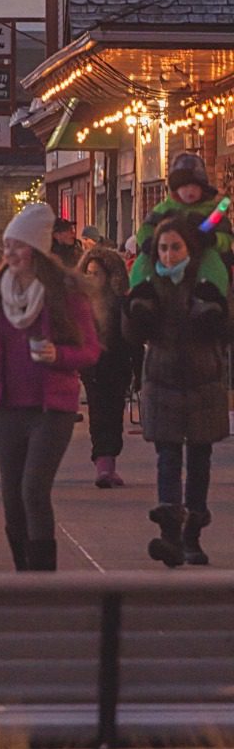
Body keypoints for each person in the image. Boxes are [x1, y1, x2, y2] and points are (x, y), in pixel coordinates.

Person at [0, 203, 100, 571]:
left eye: (18, 245)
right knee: (12, 496)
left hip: (51, 409)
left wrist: (58, 354)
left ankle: (44, 576)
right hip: (8, 405)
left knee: (33, 489)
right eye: (7, 245)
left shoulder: (64, 294)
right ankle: (24, 573)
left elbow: (90, 350)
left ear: (36, 249)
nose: (10, 253)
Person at [123, 215, 229, 567]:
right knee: (168, 460)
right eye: (164, 248)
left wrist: (214, 314)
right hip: (163, 382)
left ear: (189, 248)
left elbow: (226, 329)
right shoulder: (151, 285)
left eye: (176, 247)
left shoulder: (205, 283)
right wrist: (134, 312)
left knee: (199, 462)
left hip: (203, 383)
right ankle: (170, 536)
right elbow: (132, 335)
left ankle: (191, 537)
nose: (168, 255)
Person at [131, 151, 233, 298]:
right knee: (144, 261)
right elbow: (145, 228)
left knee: (211, 260)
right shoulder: (164, 209)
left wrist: (213, 239)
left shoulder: (210, 211)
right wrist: (149, 242)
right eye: (184, 186)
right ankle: (143, 293)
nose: (190, 190)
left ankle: (209, 296)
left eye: (195, 186)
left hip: (199, 255)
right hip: (166, 256)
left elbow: (227, 236)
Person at [77, 246, 132, 488]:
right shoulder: (82, 303)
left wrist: (137, 370)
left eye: (96, 273)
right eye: (88, 273)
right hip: (92, 367)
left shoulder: (120, 303)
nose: (91, 278)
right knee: (99, 413)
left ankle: (108, 461)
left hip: (117, 365)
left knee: (113, 412)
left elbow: (132, 339)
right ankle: (103, 463)